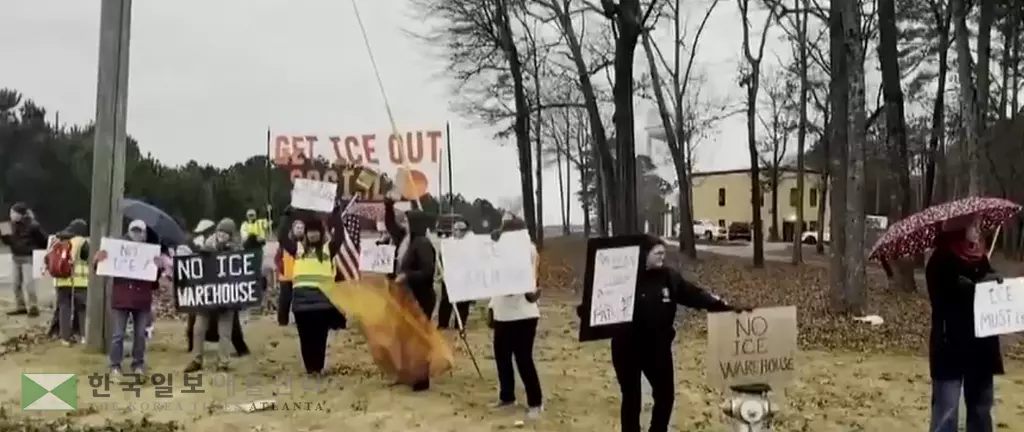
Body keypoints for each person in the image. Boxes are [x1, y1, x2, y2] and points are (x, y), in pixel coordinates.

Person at [577, 235, 745, 432]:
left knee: (665, 396)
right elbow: (602, 301)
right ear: (644, 255)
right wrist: (588, 311)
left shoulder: (669, 277)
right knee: (631, 397)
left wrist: (723, 306)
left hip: (657, 349)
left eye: (664, 253)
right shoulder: (623, 276)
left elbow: (694, 295)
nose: (662, 257)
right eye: (657, 253)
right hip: (626, 348)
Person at [926, 215, 1003, 432]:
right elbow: (944, 299)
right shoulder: (939, 261)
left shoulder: (980, 259)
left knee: (980, 411)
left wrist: (995, 280)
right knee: (946, 413)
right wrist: (973, 287)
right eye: (972, 224)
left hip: (981, 347)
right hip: (949, 346)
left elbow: (989, 290)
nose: (977, 230)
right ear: (958, 229)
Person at [278, 210, 347, 375]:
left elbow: (340, 237)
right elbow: (282, 237)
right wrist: (287, 216)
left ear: (321, 233)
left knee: (320, 338)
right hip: (301, 305)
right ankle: (311, 368)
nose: (313, 235)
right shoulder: (298, 250)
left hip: (322, 304)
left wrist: (336, 215)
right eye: (310, 232)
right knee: (305, 338)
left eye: (316, 231)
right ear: (306, 234)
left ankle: (317, 367)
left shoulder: (327, 250)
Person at [488, 217, 544, 420]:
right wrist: (492, 308)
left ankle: (535, 402)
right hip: (503, 313)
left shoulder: (528, 250)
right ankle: (507, 396)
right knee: (502, 357)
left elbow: (527, 278)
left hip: (523, 313)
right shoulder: (498, 251)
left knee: (523, 358)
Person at [383, 195, 437, 391]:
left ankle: (421, 379)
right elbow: (390, 225)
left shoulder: (422, 243)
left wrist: (407, 275)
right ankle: (405, 373)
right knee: (402, 336)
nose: (403, 223)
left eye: (407, 220)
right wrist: (388, 204)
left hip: (420, 298)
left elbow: (428, 271)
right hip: (403, 296)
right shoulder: (406, 239)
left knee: (419, 339)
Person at [101, 219, 161, 377]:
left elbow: (154, 283)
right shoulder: (117, 249)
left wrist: (157, 268)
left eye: (139, 231)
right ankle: (115, 366)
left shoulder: (149, 253)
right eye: (134, 231)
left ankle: (138, 365)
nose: (136, 234)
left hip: (141, 300)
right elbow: (101, 268)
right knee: (118, 335)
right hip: (122, 299)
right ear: (129, 232)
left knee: (140, 334)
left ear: (144, 234)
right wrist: (100, 259)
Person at [185, 218, 242, 372]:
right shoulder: (206, 247)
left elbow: (241, 271)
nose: (222, 235)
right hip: (207, 294)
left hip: (226, 295)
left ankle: (223, 362)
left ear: (231, 235)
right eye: (220, 232)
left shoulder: (236, 250)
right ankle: (196, 359)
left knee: (224, 331)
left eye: (226, 233)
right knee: (198, 328)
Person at [1, 203, 48, 316]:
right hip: (16, 257)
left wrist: (37, 251)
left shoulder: (33, 226)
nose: (11, 215)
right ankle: (20, 306)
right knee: (15, 284)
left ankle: (33, 307)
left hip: (28, 257)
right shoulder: (10, 226)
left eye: (13, 213)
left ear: (20, 214)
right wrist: (3, 236)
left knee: (29, 284)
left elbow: (43, 239)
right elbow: (9, 242)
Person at [53, 219, 89, 346]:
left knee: (64, 309)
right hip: (80, 281)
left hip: (61, 280)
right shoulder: (82, 242)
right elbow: (87, 258)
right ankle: (83, 335)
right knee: (82, 309)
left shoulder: (58, 239)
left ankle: (64, 337)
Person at [438, 220, 472, 330]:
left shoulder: (469, 245)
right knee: (445, 302)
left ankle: (460, 325)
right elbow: (441, 258)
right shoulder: (447, 243)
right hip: (449, 277)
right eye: (456, 229)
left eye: (461, 230)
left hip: (463, 278)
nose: (458, 232)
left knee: (462, 303)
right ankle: (443, 324)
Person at [276, 217, 305, 326]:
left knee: (300, 302)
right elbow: (277, 257)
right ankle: (282, 323)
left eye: (302, 228)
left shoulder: (306, 243)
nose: (299, 230)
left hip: (300, 277)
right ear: (293, 229)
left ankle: (299, 322)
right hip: (286, 276)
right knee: (284, 301)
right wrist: (280, 268)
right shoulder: (286, 242)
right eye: (297, 227)